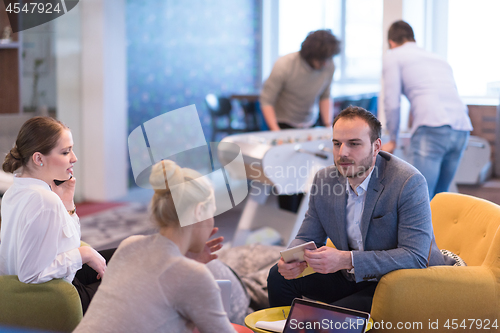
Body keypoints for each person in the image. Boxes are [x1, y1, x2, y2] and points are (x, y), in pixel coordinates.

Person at [267, 106, 452, 313]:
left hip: (399, 281)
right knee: (278, 276)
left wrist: (345, 259)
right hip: (350, 275)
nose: (343, 153)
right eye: (337, 144)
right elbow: (307, 237)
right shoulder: (324, 180)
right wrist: (292, 260)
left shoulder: (408, 181)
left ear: (376, 147)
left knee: (332, 316)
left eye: (354, 144)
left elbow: (415, 257)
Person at [74, 160, 238, 333]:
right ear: (198, 212)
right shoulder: (193, 275)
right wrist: (190, 268)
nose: (213, 220)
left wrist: (186, 262)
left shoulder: (129, 246)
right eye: (212, 212)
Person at [0, 116, 112, 314]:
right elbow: (31, 274)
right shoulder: (43, 200)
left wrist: (67, 203)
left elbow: (69, 241)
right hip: (59, 297)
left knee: (128, 254)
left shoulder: (15, 192)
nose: (74, 158)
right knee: (138, 278)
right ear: (38, 158)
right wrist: (83, 254)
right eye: (65, 152)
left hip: (57, 282)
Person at [381, 20, 473, 199]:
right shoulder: (438, 59)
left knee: (417, 200)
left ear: (391, 42)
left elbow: (391, 102)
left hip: (432, 127)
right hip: (461, 128)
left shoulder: (393, 55)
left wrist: (393, 139)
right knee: (440, 200)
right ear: (412, 38)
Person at [260, 29, 341, 131]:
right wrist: (276, 131)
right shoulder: (284, 64)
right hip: (283, 123)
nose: (326, 64)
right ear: (310, 56)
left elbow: (325, 96)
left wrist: (328, 126)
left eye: (328, 59)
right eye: (321, 60)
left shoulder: (329, 65)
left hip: (310, 122)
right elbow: (267, 100)